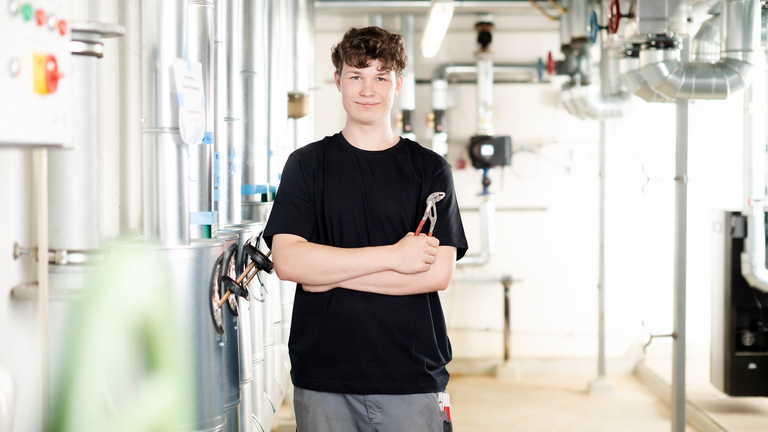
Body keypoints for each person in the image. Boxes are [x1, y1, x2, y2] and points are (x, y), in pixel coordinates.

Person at [264, 26, 467, 432]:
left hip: (411, 376)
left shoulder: (430, 170)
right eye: (356, 75)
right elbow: (288, 261)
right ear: (338, 80)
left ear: (398, 84)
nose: (367, 90)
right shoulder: (306, 166)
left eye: (381, 77)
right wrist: (395, 257)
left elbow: (437, 273)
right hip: (323, 375)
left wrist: (327, 276)